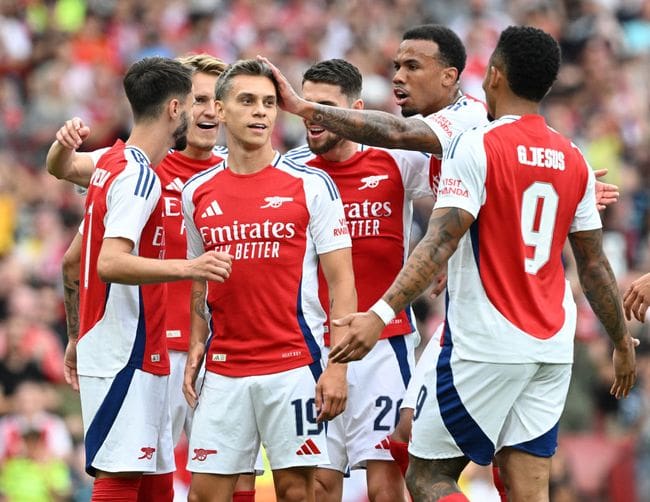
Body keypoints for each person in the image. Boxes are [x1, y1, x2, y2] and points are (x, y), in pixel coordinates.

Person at [324, 26, 637, 502]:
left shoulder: (477, 143)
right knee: (527, 486)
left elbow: (437, 243)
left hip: (487, 340)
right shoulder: (572, 155)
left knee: (428, 477)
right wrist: (621, 342)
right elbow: (593, 268)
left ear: (493, 76)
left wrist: (380, 314)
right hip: (552, 345)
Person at [48, 54, 261, 501]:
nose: (204, 110)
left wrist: (76, 334)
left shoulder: (235, 173)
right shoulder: (134, 170)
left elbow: (74, 262)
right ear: (175, 108)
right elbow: (87, 244)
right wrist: (63, 145)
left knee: (194, 475)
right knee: (130, 471)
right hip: (139, 347)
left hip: (202, 350)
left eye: (213, 101)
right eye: (195, 99)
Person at [181, 59, 356, 502]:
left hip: (294, 365)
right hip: (224, 368)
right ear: (219, 110)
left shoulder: (311, 184)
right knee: (204, 494)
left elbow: (342, 285)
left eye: (269, 103)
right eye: (247, 101)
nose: (260, 112)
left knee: (299, 492)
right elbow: (199, 279)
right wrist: (197, 339)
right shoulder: (196, 192)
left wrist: (337, 366)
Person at [284, 58, 432, 502]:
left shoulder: (398, 158)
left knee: (386, 481)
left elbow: (468, 187)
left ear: (357, 111)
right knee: (320, 481)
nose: (312, 117)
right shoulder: (291, 169)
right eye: (306, 105)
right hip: (315, 343)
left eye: (325, 107)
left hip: (385, 342)